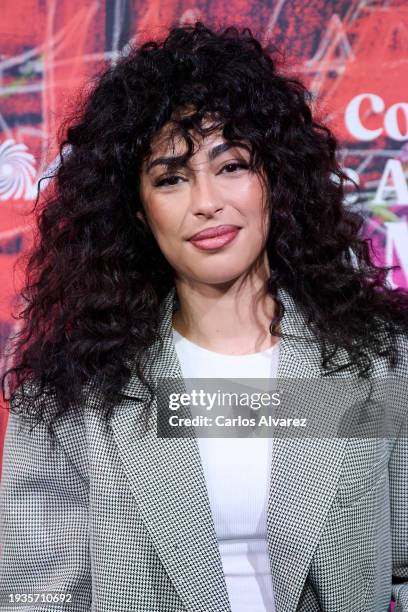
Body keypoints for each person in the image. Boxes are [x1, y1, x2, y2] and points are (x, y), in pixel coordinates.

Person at [0, 21, 407, 612]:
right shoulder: (71, 389)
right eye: (171, 178)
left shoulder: (378, 358)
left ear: (275, 176)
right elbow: (36, 594)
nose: (207, 201)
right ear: (137, 211)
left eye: (232, 165)